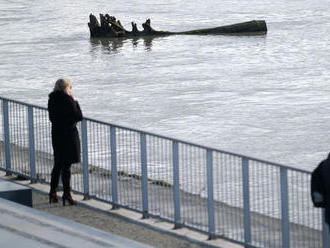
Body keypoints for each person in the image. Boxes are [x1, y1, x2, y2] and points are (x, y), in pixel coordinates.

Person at [48, 78, 83, 206]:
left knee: (58, 163)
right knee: (66, 166)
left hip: (56, 134)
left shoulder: (52, 99)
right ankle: (67, 194)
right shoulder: (68, 100)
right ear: (66, 88)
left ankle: (52, 192)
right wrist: (75, 101)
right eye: (70, 87)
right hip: (68, 135)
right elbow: (79, 116)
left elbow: (52, 118)